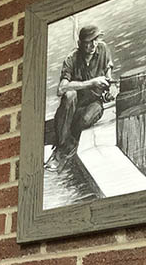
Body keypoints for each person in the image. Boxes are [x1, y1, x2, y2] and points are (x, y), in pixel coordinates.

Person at [45, 24, 117, 173]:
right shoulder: (71, 58)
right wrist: (91, 83)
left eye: (96, 40)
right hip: (74, 105)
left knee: (85, 118)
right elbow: (61, 89)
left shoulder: (103, 49)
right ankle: (62, 149)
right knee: (69, 95)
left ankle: (62, 147)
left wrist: (111, 90)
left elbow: (109, 78)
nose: (93, 45)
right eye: (89, 42)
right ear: (80, 43)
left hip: (94, 103)